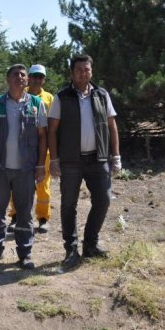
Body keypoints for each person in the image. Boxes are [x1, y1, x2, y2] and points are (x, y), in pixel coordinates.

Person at [48, 54, 121, 269]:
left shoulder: (102, 95)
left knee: (103, 200)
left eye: (87, 69)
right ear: (72, 73)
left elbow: (112, 126)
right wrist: (54, 160)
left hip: (98, 159)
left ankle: (90, 244)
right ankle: (71, 250)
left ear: (91, 71)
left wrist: (116, 156)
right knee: (68, 204)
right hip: (70, 160)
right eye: (79, 70)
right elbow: (52, 131)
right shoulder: (61, 97)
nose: (83, 73)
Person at [0, 64, 48, 270]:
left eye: (23, 75)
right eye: (15, 74)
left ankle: (25, 253)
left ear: (27, 79)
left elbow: (43, 136)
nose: (20, 77)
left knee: (25, 213)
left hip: (26, 170)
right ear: (8, 79)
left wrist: (40, 165)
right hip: (0, 169)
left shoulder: (36, 104)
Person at [8, 64, 54, 233]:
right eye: (34, 76)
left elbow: (53, 125)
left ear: (44, 79)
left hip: (43, 149)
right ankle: (15, 216)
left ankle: (43, 218)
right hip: (23, 148)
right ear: (29, 78)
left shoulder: (49, 98)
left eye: (40, 77)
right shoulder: (20, 94)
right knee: (17, 184)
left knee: (43, 185)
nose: (37, 80)